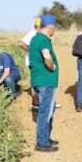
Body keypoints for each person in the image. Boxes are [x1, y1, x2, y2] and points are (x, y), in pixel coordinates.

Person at [29, 14, 60, 152]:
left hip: (37, 79)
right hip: (46, 81)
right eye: (54, 28)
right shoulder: (44, 40)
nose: (55, 31)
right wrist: (52, 67)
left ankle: (45, 138)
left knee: (46, 110)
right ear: (50, 27)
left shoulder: (35, 38)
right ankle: (41, 143)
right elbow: (47, 57)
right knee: (45, 112)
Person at [19, 17, 41, 109]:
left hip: (35, 61)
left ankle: (38, 102)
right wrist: (31, 51)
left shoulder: (35, 33)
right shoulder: (32, 34)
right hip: (33, 62)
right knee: (35, 82)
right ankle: (35, 103)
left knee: (38, 81)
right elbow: (21, 43)